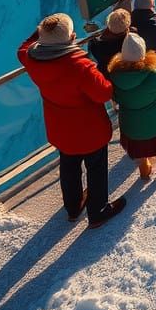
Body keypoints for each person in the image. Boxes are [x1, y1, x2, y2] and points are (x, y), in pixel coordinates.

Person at [18, 14, 126, 228]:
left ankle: (74, 207)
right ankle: (98, 211)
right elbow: (104, 93)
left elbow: (23, 47)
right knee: (96, 169)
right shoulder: (80, 66)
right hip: (90, 131)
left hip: (61, 130)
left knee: (69, 166)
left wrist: (44, 30)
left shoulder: (32, 59)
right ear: (70, 39)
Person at [108, 33, 156, 179]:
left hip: (130, 125)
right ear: (143, 54)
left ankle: (144, 168)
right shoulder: (151, 75)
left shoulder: (113, 76)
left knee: (138, 147)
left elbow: (113, 95)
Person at [88, 7, 132, 77]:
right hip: (122, 75)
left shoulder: (95, 45)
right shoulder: (132, 40)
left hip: (106, 77)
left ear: (108, 24)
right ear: (127, 26)